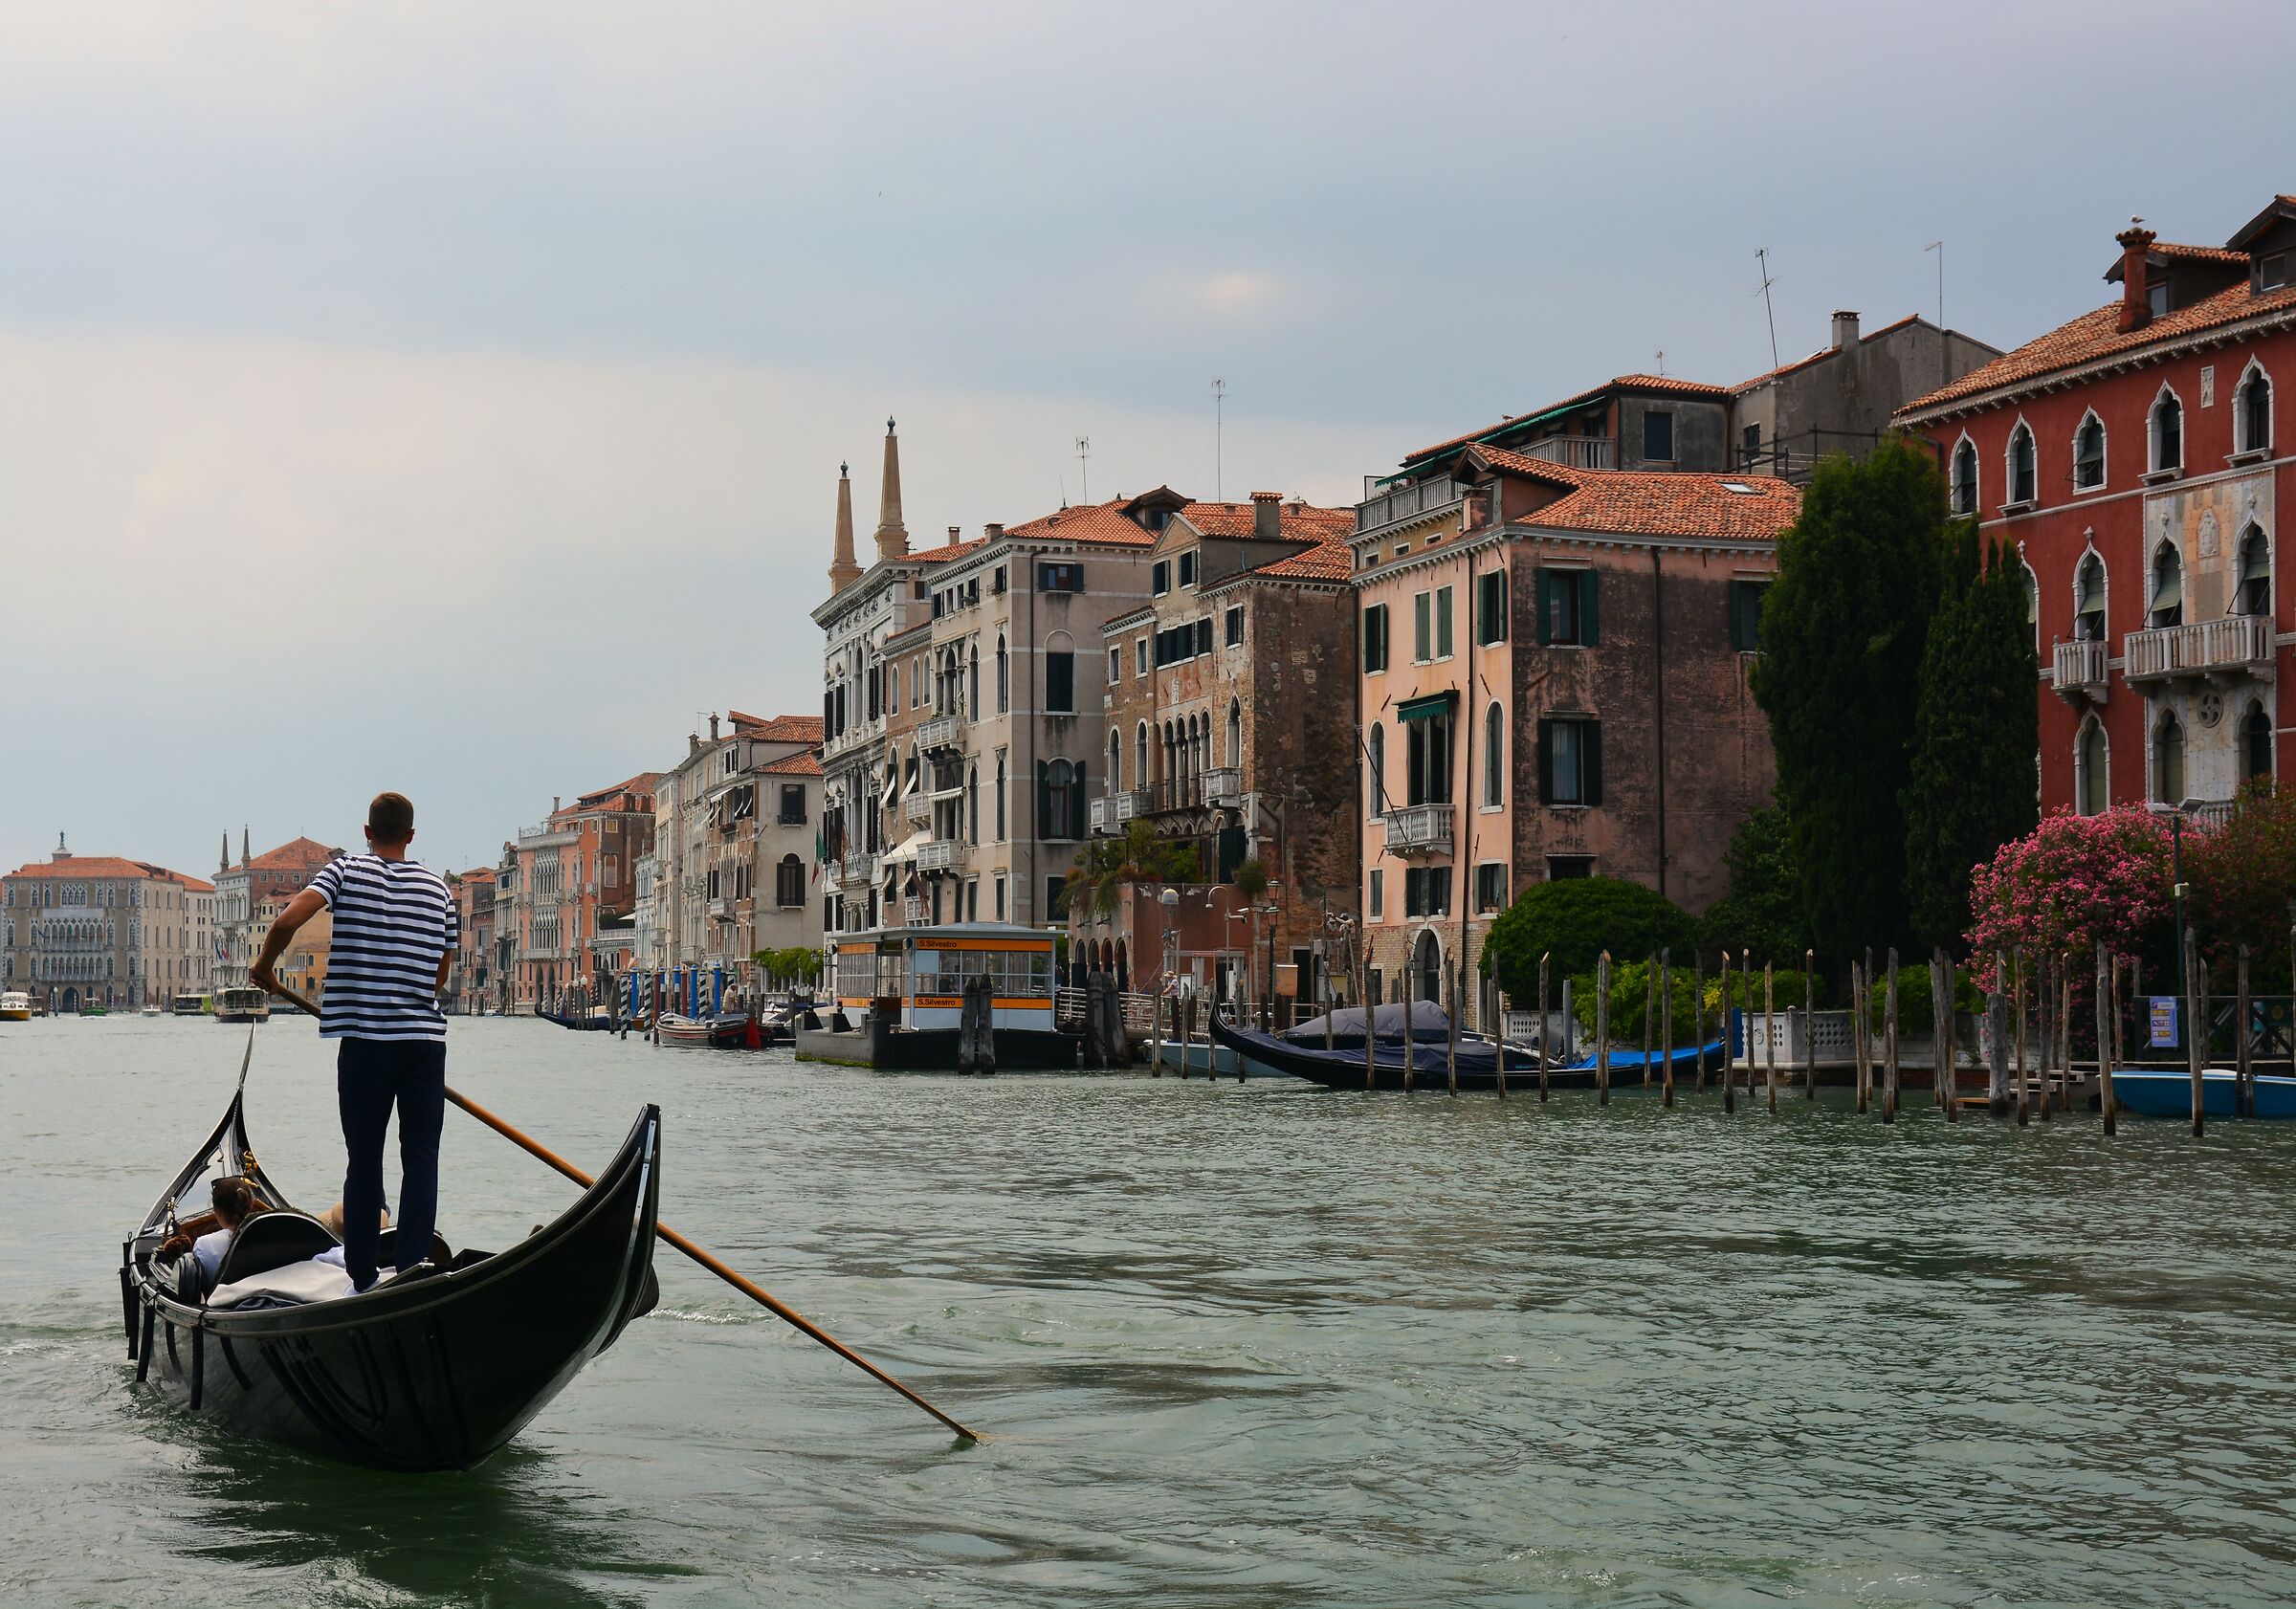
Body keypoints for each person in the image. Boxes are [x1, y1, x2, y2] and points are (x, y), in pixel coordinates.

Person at [253, 791, 457, 1293]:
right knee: (422, 1158)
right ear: (411, 836)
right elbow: (441, 972)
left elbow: (285, 922)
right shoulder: (439, 890)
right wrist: (407, 1005)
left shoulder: (344, 873)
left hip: (366, 1044)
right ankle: (411, 1270)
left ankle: (364, 1276)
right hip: (424, 1044)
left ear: (367, 834)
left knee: (365, 1159)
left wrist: (263, 967)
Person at [161, 1176, 265, 1289]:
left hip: (223, 1303)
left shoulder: (204, 1244)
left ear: (217, 1211)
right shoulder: (268, 1235)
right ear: (250, 1205)